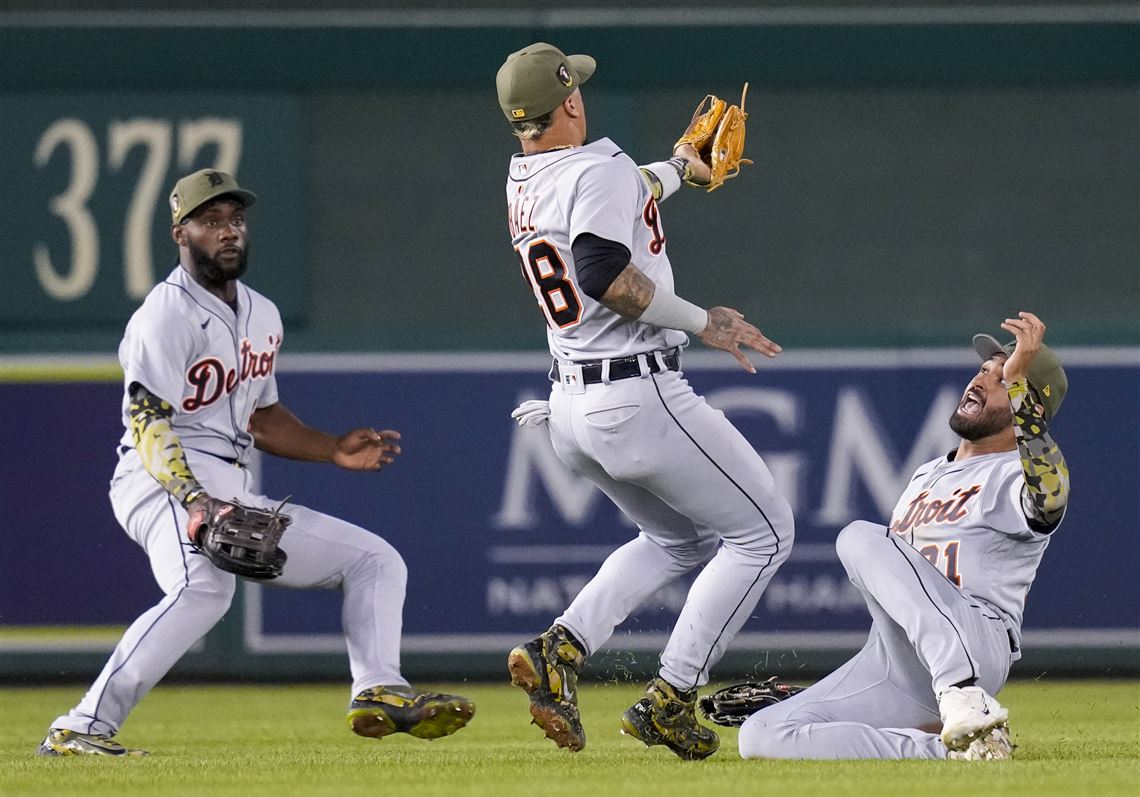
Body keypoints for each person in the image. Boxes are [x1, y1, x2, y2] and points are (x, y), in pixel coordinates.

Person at [37, 169, 474, 757]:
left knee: (376, 561)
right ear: (180, 233)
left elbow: (263, 418)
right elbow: (146, 421)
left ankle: (378, 689)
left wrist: (332, 448)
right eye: (211, 221)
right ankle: (80, 727)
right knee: (203, 590)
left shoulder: (262, 314)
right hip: (160, 479)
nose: (228, 231)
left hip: (228, 481)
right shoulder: (162, 316)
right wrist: (196, 502)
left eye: (235, 220)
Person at [495, 43, 795, 760]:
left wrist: (680, 171)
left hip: (571, 402)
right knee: (766, 532)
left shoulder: (526, 173)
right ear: (569, 102)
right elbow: (603, 271)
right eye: (578, 90)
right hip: (636, 391)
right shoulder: (595, 169)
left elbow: (619, 190)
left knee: (678, 540)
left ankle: (559, 648)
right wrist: (705, 321)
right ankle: (671, 694)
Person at [735, 312, 1068, 761]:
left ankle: (962, 692)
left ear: (1028, 406)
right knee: (761, 735)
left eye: (1002, 377)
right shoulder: (928, 473)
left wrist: (1019, 389)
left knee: (857, 537)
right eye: (984, 370)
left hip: (977, 637)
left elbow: (1049, 499)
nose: (981, 380)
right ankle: (960, 752)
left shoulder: (1011, 473)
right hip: (898, 661)